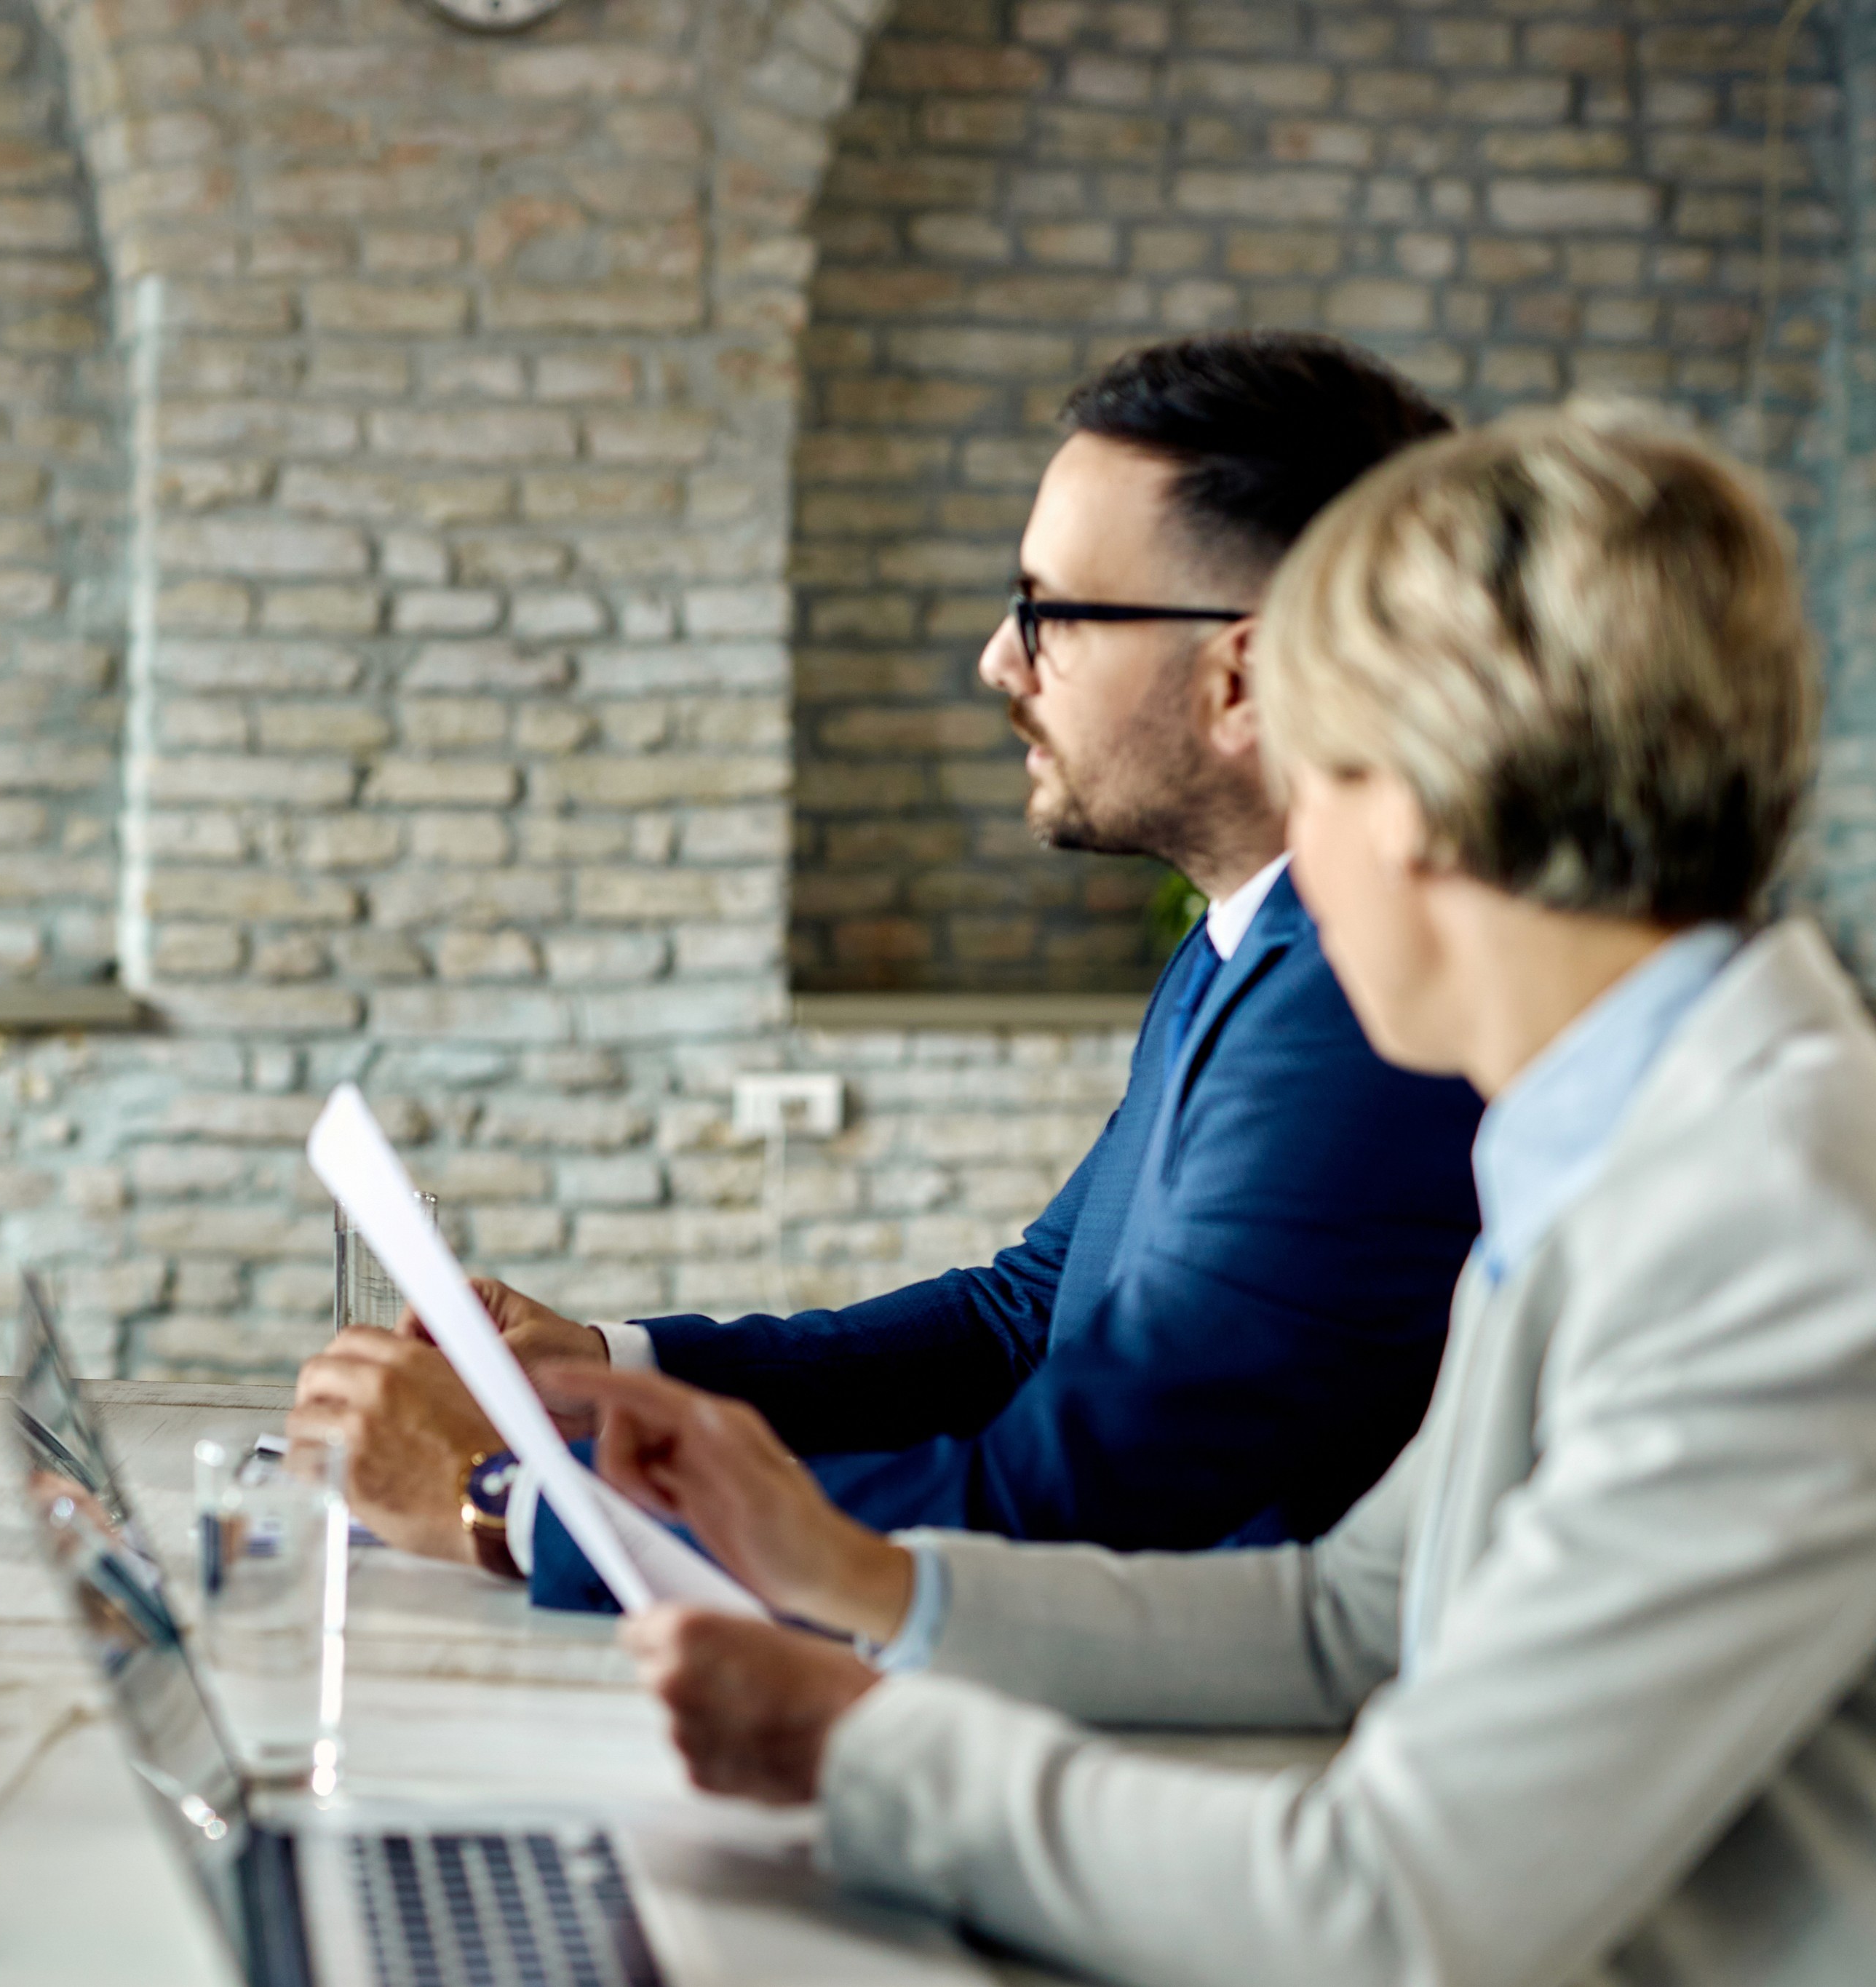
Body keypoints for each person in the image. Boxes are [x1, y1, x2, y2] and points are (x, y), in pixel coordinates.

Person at [568, 408, 1876, 1986]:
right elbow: (1351, 1615)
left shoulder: (1778, 1231)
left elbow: (1386, 1910)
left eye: (1307, 792)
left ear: (1409, 811)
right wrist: (847, 1573)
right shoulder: (1606, 1137)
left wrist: (860, 1757)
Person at [295, 333, 1486, 1608]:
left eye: (1049, 614)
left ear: (1238, 675)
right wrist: (608, 1364)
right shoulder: (1245, 938)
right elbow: (1018, 1324)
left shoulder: (1354, 1010)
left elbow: (1060, 1496)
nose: (999, 660)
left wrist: (509, 1511)